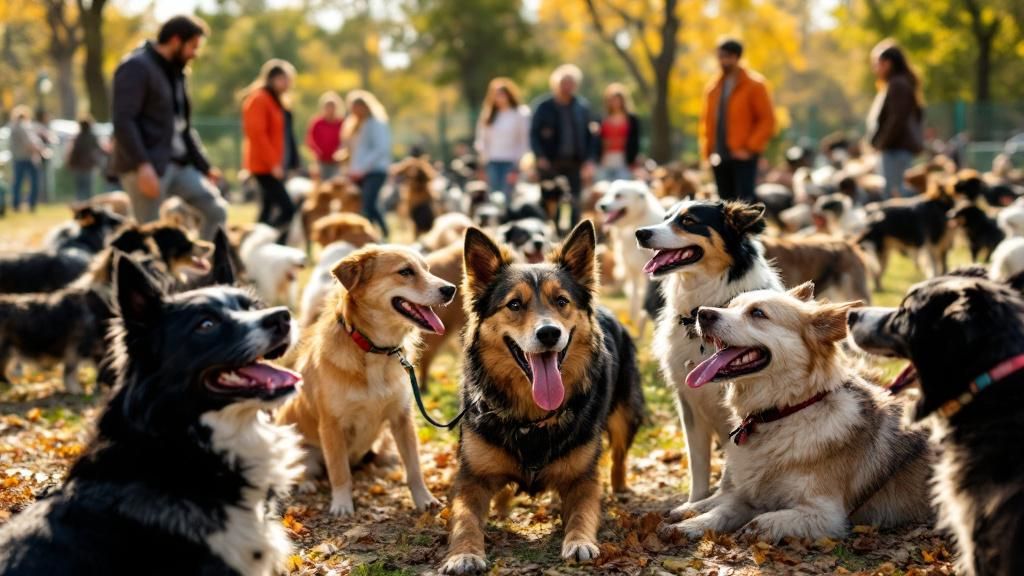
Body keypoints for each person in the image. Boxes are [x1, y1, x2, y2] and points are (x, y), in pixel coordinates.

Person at [110, 14, 227, 240]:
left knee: (216, 210)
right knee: (150, 235)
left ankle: (202, 274)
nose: (195, 53)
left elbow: (182, 127)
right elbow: (123, 121)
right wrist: (142, 166)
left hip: (178, 165)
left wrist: (204, 166)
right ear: (175, 41)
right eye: (193, 46)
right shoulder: (136, 67)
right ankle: (147, 274)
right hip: (145, 166)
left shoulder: (177, 73)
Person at [700, 39, 776, 202]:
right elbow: (707, 123)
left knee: (745, 202)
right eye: (720, 56)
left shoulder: (754, 85)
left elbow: (767, 120)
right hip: (719, 156)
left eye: (727, 56)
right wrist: (707, 152)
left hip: (743, 156)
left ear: (737, 57)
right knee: (724, 204)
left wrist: (749, 148)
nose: (722, 60)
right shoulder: (713, 88)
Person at [530, 64, 596, 229]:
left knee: (575, 200)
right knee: (550, 201)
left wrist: (589, 161)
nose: (567, 86)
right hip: (551, 162)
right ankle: (549, 231)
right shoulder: (543, 107)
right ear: (555, 84)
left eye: (570, 83)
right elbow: (534, 134)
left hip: (575, 162)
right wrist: (540, 156)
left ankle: (573, 234)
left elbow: (590, 136)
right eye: (563, 82)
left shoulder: (582, 107)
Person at [241, 59, 300, 239]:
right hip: (264, 166)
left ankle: (252, 247)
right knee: (287, 209)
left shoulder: (277, 101)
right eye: (285, 79)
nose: (289, 84)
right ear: (273, 78)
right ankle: (267, 244)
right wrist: (273, 163)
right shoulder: (259, 99)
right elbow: (257, 134)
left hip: (275, 166)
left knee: (267, 211)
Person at [867, 39, 924, 198]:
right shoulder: (900, 84)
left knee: (895, 193)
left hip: (895, 149)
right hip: (896, 148)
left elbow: (897, 119)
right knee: (895, 190)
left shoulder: (898, 84)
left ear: (888, 63)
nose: (875, 68)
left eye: (877, 63)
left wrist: (881, 143)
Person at [344, 90, 392, 239]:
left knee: (368, 205)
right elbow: (356, 151)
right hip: (359, 172)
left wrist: (363, 168)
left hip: (376, 170)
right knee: (369, 204)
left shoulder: (376, 124)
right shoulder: (356, 126)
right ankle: (383, 233)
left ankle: (371, 236)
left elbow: (380, 149)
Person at [474, 77, 530, 205]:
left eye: (501, 94)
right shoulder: (488, 115)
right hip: (492, 162)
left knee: (508, 195)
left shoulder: (520, 113)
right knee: (493, 196)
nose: (499, 98)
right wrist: (483, 161)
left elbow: (524, 140)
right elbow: (481, 140)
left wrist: (518, 163)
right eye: (496, 95)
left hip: (511, 162)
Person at [597, 83, 641, 181]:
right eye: (612, 99)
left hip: (623, 159)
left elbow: (635, 140)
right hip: (605, 158)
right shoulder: (602, 118)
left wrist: (633, 160)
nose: (615, 102)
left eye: (617, 99)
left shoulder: (631, 119)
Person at [6, 105, 43, 212]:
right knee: (33, 182)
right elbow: (29, 143)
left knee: (17, 183)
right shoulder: (22, 127)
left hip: (18, 158)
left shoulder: (13, 127)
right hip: (27, 158)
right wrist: (41, 151)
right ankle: (30, 204)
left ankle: (16, 205)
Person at [306, 91, 345, 181]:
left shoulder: (342, 123)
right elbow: (310, 140)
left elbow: (345, 141)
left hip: (338, 163)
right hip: (321, 161)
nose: (330, 109)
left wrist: (340, 152)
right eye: (328, 106)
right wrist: (317, 152)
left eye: (333, 106)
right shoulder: (317, 122)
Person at [66, 115, 105, 201]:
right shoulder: (92, 137)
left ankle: (80, 206)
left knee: (79, 189)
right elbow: (100, 150)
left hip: (78, 167)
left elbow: (73, 152)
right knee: (88, 190)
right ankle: (87, 207)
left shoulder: (78, 137)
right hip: (89, 166)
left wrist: (70, 164)